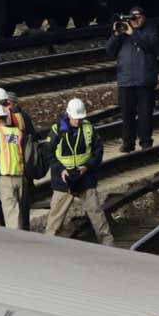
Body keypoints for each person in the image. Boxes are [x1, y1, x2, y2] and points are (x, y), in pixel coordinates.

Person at [45, 98, 114, 246]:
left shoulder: (89, 128)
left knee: (96, 214)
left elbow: (98, 152)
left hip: (85, 177)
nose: (78, 121)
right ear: (68, 115)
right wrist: (61, 170)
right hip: (63, 180)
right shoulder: (57, 130)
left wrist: (86, 167)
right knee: (55, 219)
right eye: (76, 118)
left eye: (81, 118)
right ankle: (49, 246)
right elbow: (48, 154)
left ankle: (108, 245)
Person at [105, 6, 159, 153]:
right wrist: (116, 35)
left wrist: (134, 33)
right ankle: (128, 143)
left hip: (144, 80)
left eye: (138, 16)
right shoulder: (124, 33)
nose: (135, 19)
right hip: (126, 80)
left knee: (145, 114)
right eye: (132, 17)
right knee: (127, 115)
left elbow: (150, 45)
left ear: (144, 17)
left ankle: (146, 143)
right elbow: (109, 51)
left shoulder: (151, 30)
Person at [0, 105, 27, 230]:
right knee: (21, 211)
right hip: (21, 176)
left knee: (11, 212)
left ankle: (16, 242)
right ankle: (24, 235)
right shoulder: (18, 133)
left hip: (6, 179)